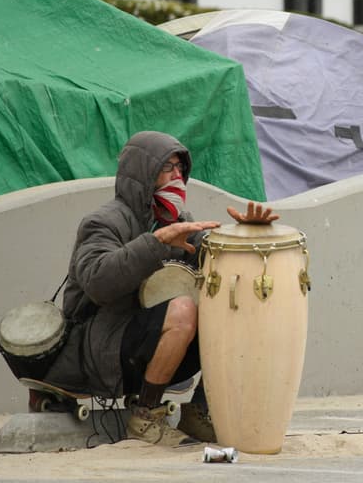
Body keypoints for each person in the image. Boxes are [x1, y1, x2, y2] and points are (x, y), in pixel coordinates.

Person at [42, 130, 278, 446]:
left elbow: (214, 260)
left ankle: (199, 410)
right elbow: (98, 282)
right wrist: (156, 243)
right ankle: (145, 416)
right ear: (144, 174)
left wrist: (246, 236)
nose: (177, 176)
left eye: (181, 168)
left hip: (145, 344)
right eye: (167, 167)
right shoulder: (103, 222)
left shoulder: (177, 220)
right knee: (183, 309)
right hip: (101, 347)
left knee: (231, 304)